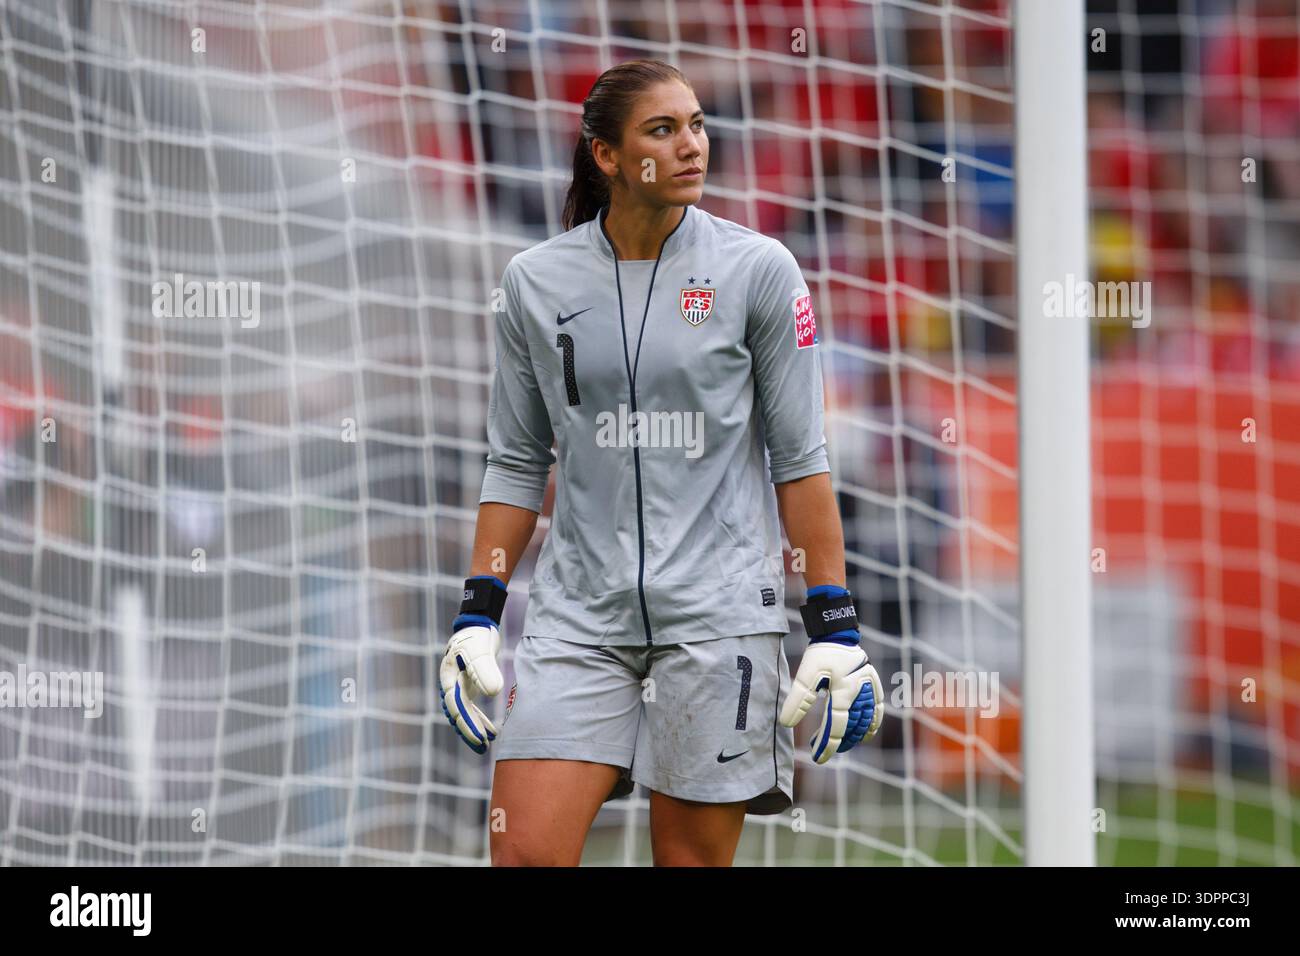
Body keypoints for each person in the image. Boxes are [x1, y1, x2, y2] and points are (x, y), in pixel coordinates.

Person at [440, 59, 883, 867]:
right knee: (523, 856)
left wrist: (834, 623)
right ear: (607, 156)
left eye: (698, 124)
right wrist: (477, 612)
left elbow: (800, 458)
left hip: (718, 618)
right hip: (578, 619)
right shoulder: (534, 283)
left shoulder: (759, 271)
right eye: (663, 129)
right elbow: (514, 461)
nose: (692, 145)